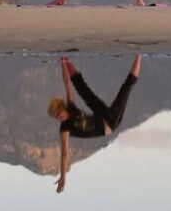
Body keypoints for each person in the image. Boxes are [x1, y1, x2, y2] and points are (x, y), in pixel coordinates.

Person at [48, 55, 141, 193]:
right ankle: (139, 55)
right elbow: (65, 154)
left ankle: (65, 58)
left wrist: (62, 63)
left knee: (82, 88)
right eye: (56, 117)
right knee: (126, 88)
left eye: (57, 114)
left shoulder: (70, 107)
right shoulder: (65, 129)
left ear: (61, 107)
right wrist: (63, 176)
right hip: (110, 123)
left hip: (101, 115)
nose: (58, 118)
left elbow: (67, 82)